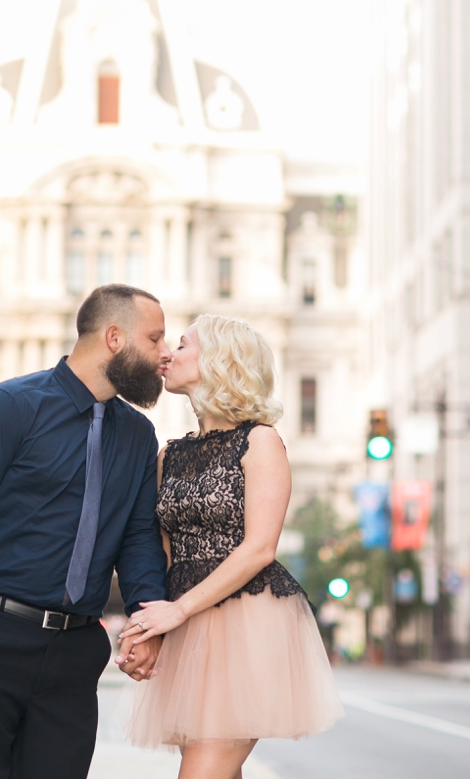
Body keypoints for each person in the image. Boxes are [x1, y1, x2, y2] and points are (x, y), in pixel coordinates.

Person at [0, 283, 170, 779]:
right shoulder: (5, 408)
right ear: (115, 338)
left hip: (75, 654)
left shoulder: (139, 436)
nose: (164, 354)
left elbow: (139, 536)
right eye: (155, 339)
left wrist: (147, 621)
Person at [120, 313, 343, 779]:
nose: (167, 354)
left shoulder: (260, 442)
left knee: (202, 771)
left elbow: (260, 548)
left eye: (182, 346)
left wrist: (175, 613)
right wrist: (147, 631)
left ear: (219, 361)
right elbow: (161, 551)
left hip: (248, 623)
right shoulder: (170, 453)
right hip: (189, 627)